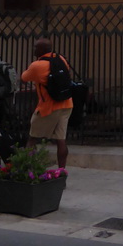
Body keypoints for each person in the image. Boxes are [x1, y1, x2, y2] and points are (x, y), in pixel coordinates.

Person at [21, 37, 73, 168]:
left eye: (35, 47)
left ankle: (27, 170)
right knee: (61, 140)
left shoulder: (37, 65)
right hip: (66, 104)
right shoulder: (61, 59)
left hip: (48, 107)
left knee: (32, 138)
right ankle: (61, 172)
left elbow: (24, 78)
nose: (34, 49)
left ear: (41, 49)